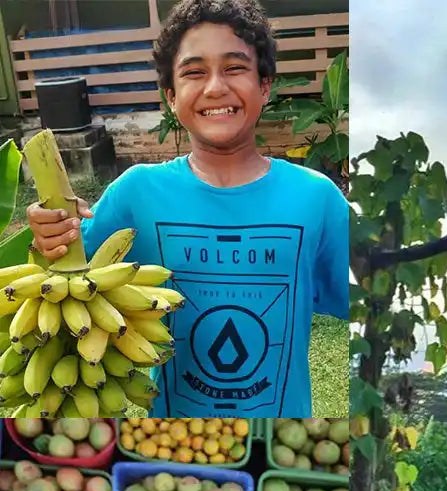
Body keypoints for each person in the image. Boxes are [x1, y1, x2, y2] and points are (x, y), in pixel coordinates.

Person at [25, 0, 348, 418]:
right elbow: (67, 284)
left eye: (235, 68)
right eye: (195, 72)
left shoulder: (316, 198)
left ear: (265, 86)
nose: (215, 87)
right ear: (171, 97)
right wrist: (51, 234)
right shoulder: (135, 193)